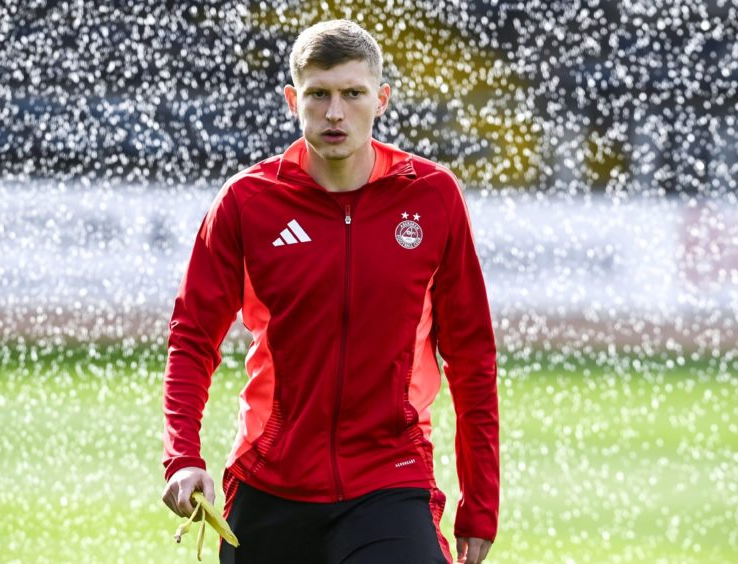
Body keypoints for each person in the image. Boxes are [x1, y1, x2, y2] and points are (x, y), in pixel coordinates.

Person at [161, 19, 499, 564]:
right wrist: (182, 457)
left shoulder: (434, 197)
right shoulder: (247, 201)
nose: (335, 112)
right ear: (294, 98)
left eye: (352, 94)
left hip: (390, 480)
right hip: (269, 480)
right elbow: (192, 338)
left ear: (381, 98)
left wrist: (481, 501)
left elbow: (472, 357)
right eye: (318, 94)